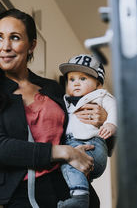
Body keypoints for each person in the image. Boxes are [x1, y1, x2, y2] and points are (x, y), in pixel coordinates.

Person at [0, 8, 108, 208]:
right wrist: (63, 152)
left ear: (31, 45)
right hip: (19, 195)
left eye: (15, 38)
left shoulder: (52, 88)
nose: (5, 46)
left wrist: (102, 117)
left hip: (69, 191)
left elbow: (78, 130)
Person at [57, 54, 117, 208]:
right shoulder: (66, 101)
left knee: (68, 162)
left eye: (83, 79)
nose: (76, 83)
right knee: (70, 166)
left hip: (93, 146)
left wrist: (109, 124)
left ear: (98, 84)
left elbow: (115, 109)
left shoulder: (100, 96)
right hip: (75, 144)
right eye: (72, 79)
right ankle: (80, 194)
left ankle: (80, 199)